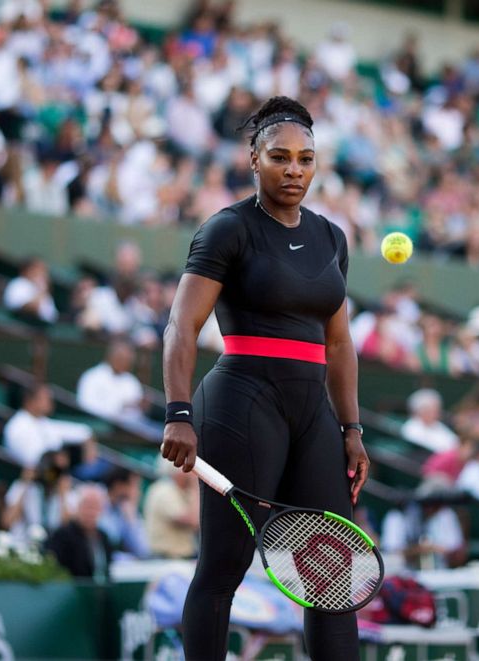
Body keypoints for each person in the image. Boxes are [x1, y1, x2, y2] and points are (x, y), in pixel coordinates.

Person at [159, 97, 369, 660]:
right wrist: (177, 413)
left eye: (305, 159)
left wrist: (352, 428)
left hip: (313, 416)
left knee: (332, 575)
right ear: (254, 159)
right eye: (280, 158)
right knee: (225, 565)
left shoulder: (332, 238)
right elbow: (182, 324)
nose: (294, 170)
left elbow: (340, 341)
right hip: (241, 403)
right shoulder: (227, 229)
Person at [381, 478, 467, 572]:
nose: (432, 508)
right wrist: (419, 550)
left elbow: (455, 550)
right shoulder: (397, 516)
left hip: (439, 572)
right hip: (403, 574)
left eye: (438, 504)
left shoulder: (446, 514)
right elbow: (391, 552)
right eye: (429, 503)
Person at [3, 383, 95, 468]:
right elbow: (33, 463)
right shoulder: (17, 426)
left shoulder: (43, 422)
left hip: (54, 474)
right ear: (29, 401)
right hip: (38, 479)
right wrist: (57, 459)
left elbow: (83, 431)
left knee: (100, 468)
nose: (50, 402)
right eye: (46, 399)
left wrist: (88, 444)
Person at [0, 450, 75, 544]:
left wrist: (63, 495)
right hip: (24, 545)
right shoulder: (24, 486)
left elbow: (68, 528)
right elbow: (7, 522)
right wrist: (25, 484)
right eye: (54, 468)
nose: (55, 474)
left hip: (53, 549)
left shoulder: (67, 493)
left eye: (61, 470)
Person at [46, 484, 112, 582]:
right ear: (77, 506)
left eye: (95, 507)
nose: (91, 512)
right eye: (87, 506)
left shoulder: (104, 537)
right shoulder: (62, 535)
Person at [99, 467, 149, 560]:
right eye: (134, 486)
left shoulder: (125, 508)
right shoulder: (96, 500)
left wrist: (132, 517)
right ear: (119, 486)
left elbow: (143, 550)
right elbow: (109, 542)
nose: (138, 492)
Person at [2, 257, 59, 324]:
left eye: (43, 271)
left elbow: (51, 319)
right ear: (27, 270)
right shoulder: (19, 284)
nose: (42, 274)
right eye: (38, 269)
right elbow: (29, 310)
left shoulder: (45, 295)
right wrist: (41, 290)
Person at [401, 388, 459, 453]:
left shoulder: (437, 424)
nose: (438, 412)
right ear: (423, 410)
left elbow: (455, 442)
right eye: (434, 409)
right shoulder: (411, 428)